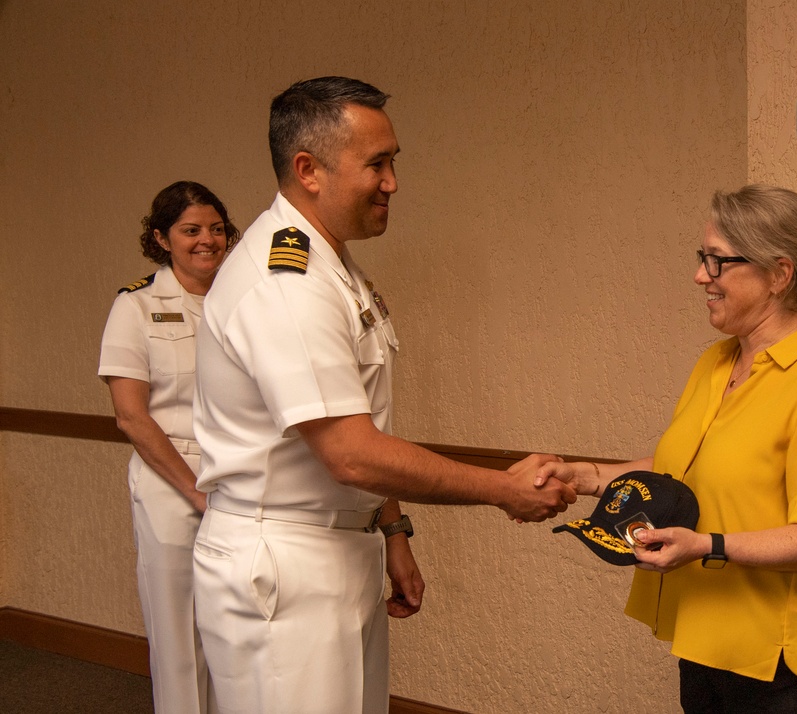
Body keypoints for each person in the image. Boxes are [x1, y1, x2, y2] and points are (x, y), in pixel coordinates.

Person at [191, 75, 575, 714]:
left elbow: (354, 416)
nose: (393, 181)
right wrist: (503, 490)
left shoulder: (329, 265)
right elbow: (350, 452)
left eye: (393, 161)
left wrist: (391, 527)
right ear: (309, 169)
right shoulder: (286, 282)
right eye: (378, 163)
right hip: (284, 562)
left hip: (338, 545)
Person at [538, 185, 797, 713]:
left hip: (785, 667)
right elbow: (689, 469)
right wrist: (584, 475)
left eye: (717, 262)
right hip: (707, 640)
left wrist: (707, 546)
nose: (702, 276)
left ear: (778, 274)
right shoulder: (717, 363)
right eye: (703, 259)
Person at [98, 181, 241, 714]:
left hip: (239, 472)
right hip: (171, 477)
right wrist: (193, 490)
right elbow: (131, 416)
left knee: (237, 626)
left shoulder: (241, 301)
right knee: (180, 634)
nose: (207, 240)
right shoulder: (136, 306)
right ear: (161, 238)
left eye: (216, 228)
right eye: (190, 230)